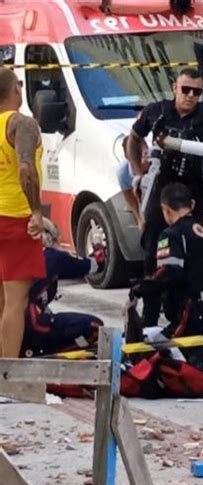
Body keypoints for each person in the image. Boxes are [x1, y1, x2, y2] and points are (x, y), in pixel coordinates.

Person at [127, 67, 203, 327]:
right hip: (163, 185)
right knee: (152, 248)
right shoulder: (157, 111)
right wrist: (137, 172)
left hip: (194, 187)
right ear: (174, 88)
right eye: (186, 90)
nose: (191, 96)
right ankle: (149, 317)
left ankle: (186, 310)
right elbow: (134, 136)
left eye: (197, 92)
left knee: (196, 247)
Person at [131, 183, 203, 337]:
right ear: (191, 204)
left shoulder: (171, 234)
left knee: (158, 351)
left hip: (193, 313)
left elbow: (169, 272)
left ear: (165, 209)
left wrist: (141, 287)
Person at [0, 68, 45, 358]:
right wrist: (37, 211)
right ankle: (7, 375)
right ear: (16, 89)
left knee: (2, 301)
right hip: (16, 217)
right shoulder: (22, 124)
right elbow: (26, 167)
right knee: (16, 301)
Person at [21, 219, 105, 357]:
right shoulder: (54, 256)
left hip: (10, 323)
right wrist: (97, 243)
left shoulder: (16, 256)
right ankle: (54, 357)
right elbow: (97, 264)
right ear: (51, 237)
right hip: (33, 324)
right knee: (95, 327)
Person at [116, 135, 147, 229]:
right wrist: (138, 218)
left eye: (142, 155)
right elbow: (129, 196)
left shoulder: (156, 162)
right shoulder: (123, 172)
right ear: (127, 157)